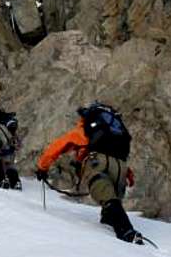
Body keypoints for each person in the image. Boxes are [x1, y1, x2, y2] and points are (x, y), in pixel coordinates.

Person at [36, 102, 142, 244]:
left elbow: (59, 145)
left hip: (97, 162)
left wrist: (42, 167)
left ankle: (127, 232)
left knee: (107, 197)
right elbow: (118, 155)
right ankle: (110, 224)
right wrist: (128, 175)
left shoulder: (85, 129)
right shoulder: (116, 131)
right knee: (111, 202)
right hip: (121, 168)